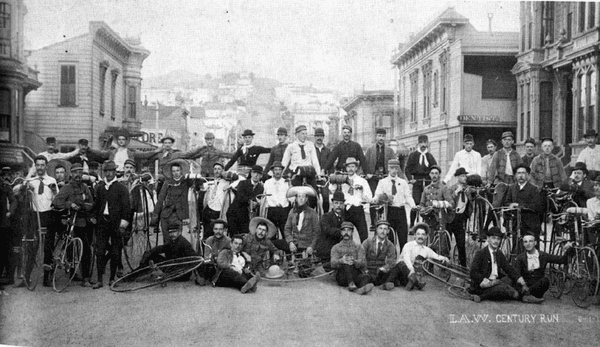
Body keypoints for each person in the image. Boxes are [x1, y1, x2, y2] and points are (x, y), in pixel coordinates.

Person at [469, 227, 543, 303]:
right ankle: (482, 296)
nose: (496, 241)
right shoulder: (481, 253)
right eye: (493, 238)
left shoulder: (499, 253)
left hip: (497, 281)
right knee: (501, 288)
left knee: (512, 279)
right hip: (485, 285)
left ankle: (526, 296)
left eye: (498, 239)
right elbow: (473, 272)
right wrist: (484, 281)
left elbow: (508, 268)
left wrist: (519, 279)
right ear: (488, 238)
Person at [52, 163, 95, 287]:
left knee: (86, 249)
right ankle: (71, 272)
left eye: (80, 172)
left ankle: (86, 278)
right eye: (75, 172)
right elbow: (56, 202)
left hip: (83, 222)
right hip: (70, 223)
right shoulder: (67, 188)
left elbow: (91, 202)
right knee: (70, 248)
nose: (78, 175)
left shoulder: (85, 187)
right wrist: (69, 204)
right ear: (71, 174)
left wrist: (85, 206)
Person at [93, 160, 131, 289]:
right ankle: (99, 280)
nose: (109, 174)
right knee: (100, 251)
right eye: (106, 171)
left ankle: (112, 278)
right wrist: (94, 217)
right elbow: (96, 205)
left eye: (111, 171)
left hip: (116, 223)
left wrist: (123, 224)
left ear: (115, 172)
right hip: (102, 223)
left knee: (115, 251)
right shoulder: (100, 188)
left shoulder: (121, 188)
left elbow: (127, 208)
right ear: (104, 172)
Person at [386, 223, 450, 291]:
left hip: (408, 276)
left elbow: (436, 256)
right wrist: (411, 269)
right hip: (400, 271)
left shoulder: (426, 250)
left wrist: (444, 258)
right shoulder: (408, 245)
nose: (420, 236)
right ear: (415, 236)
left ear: (426, 236)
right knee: (401, 263)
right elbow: (406, 259)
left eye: (423, 234)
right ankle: (417, 284)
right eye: (418, 234)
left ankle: (411, 282)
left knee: (409, 281)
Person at [27, 156, 59, 287]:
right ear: (35, 166)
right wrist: (27, 189)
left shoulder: (52, 180)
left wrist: (54, 190)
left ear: (46, 166)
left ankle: (47, 278)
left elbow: (57, 200)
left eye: (42, 165)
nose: (40, 168)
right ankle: (27, 276)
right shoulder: (30, 181)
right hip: (34, 216)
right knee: (32, 246)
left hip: (48, 215)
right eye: (38, 165)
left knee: (48, 247)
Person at [514, 234, 574, 298]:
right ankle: (525, 294)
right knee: (514, 279)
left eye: (530, 241)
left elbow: (561, 260)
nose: (528, 244)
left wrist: (570, 250)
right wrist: (523, 285)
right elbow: (517, 274)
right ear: (523, 244)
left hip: (537, 286)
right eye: (525, 242)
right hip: (525, 285)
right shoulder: (520, 258)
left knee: (545, 281)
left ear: (535, 243)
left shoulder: (543, 255)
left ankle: (527, 295)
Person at [372, 159, 415, 251]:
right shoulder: (382, 182)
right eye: (392, 168)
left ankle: (403, 260)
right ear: (388, 168)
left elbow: (408, 196)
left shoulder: (403, 182)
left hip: (401, 211)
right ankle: (392, 260)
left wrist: (414, 206)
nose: (394, 171)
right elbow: (377, 195)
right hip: (389, 211)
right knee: (390, 239)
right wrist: (375, 200)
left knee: (403, 238)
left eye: (396, 168)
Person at [151, 160, 197, 241]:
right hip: (166, 215)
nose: (176, 173)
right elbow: (161, 199)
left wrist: (192, 173)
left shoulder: (185, 182)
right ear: (171, 172)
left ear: (181, 171)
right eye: (173, 171)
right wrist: (155, 215)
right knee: (167, 240)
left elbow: (195, 182)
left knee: (176, 240)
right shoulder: (167, 183)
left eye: (177, 170)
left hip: (179, 215)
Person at [281, 125, 321, 209]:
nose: (305, 136)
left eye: (306, 133)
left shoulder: (310, 145)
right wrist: (280, 175)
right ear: (297, 134)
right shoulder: (290, 146)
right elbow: (284, 163)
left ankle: (312, 212)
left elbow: (315, 161)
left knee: (313, 195)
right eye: (302, 133)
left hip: (309, 173)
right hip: (296, 175)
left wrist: (319, 174)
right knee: (294, 196)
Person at [330, 222, 374, 295]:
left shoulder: (358, 247)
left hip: (354, 273)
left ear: (352, 232)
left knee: (366, 276)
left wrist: (354, 261)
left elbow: (363, 262)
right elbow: (332, 263)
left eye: (349, 230)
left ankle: (360, 289)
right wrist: (341, 261)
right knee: (346, 262)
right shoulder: (336, 247)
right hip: (342, 276)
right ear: (341, 232)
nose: (346, 233)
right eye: (344, 230)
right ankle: (352, 283)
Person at [364, 128, 396, 227]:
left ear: (385, 137)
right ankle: (373, 222)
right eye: (379, 136)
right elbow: (365, 163)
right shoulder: (370, 150)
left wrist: (397, 176)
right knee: (374, 198)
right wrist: (367, 173)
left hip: (385, 177)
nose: (381, 138)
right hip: (373, 177)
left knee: (387, 197)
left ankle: (388, 219)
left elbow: (395, 164)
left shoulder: (390, 151)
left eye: (383, 136)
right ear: (376, 137)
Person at [405, 134, 437, 228]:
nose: (423, 144)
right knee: (415, 203)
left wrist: (433, 178)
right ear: (418, 143)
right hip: (417, 181)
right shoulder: (413, 155)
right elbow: (407, 169)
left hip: (427, 181)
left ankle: (428, 224)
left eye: (425, 142)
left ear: (427, 143)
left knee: (428, 203)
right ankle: (411, 225)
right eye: (421, 142)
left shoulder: (430, 156)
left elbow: (435, 168)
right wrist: (411, 179)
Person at [505, 164, 543, 241]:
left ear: (527, 175)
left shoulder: (534, 189)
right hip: (516, 221)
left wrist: (519, 205)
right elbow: (507, 202)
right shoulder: (512, 188)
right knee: (516, 245)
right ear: (515, 175)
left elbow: (537, 206)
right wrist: (511, 205)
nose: (521, 176)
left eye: (523, 173)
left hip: (530, 223)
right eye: (519, 173)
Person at [276, 186, 320, 254]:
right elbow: (287, 229)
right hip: (294, 245)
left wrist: (312, 246)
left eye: (303, 196)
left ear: (306, 199)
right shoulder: (292, 212)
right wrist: (290, 242)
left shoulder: (312, 213)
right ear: (296, 199)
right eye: (299, 196)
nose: (301, 199)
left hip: (307, 246)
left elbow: (316, 232)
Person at [339, 157, 372, 242]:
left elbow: (369, 197)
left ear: (356, 168)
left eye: (353, 166)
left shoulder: (362, 181)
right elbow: (332, 190)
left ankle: (364, 254)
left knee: (364, 235)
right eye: (348, 166)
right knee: (345, 236)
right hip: (346, 210)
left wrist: (362, 192)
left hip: (358, 210)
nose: (350, 169)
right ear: (346, 168)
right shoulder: (341, 180)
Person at [226, 165, 264, 235]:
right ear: (251, 173)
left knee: (244, 237)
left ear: (261, 176)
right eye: (254, 172)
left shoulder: (261, 188)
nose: (256, 175)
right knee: (234, 237)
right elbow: (241, 198)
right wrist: (254, 199)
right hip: (234, 214)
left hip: (246, 217)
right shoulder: (242, 183)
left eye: (258, 173)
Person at [418, 165, 454, 233]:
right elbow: (422, 203)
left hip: (440, 217)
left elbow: (451, 202)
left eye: (436, 173)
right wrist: (422, 208)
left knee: (440, 238)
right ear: (429, 174)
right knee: (429, 237)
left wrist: (443, 204)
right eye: (432, 173)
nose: (434, 175)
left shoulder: (443, 188)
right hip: (428, 217)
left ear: (439, 175)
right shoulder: (426, 189)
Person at [362, 220, 397, 289]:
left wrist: (384, 268)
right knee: (363, 277)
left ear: (388, 231)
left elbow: (392, 260)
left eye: (385, 229)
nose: (382, 231)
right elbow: (361, 256)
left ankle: (383, 284)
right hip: (368, 270)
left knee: (396, 268)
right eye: (380, 228)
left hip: (380, 271)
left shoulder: (390, 244)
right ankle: (365, 286)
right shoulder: (368, 242)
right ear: (376, 230)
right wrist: (365, 269)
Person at [196, 219, 231, 285]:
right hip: (211, 265)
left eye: (220, 229)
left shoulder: (228, 241)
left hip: (222, 266)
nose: (218, 231)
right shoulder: (209, 240)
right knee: (201, 264)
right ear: (213, 230)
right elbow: (206, 256)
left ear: (224, 230)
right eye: (216, 229)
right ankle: (202, 278)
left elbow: (230, 257)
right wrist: (209, 258)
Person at [446, 168, 469, 267]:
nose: (464, 178)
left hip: (461, 219)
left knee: (461, 243)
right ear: (457, 177)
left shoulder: (468, 189)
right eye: (462, 176)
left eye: (465, 176)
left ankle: (463, 266)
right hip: (451, 219)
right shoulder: (452, 188)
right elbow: (448, 200)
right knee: (447, 243)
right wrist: (456, 192)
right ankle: (446, 264)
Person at [314, 191, 345, 265]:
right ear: (332, 204)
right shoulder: (326, 217)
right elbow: (327, 230)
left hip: (338, 249)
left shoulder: (344, 218)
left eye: (341, 203)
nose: (338, 206)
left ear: (343, 205)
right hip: (326, 250)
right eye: (336, 203)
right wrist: (342, 232)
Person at [202, 162, 230, 240]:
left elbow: (240, 179)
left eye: (219, 169)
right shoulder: (211, 182)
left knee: (217, 234)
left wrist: (230, 185)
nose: (217, 171)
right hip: (208, 210)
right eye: (215, 169)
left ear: (223, 170)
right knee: (207, 234)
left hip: (218, 211)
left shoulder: (227, 182)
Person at [263, 161, 291, 239]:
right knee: (271, 235)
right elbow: (265, 197)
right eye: (276, 170)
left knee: (285, 233)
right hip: (272, 211)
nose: (278, 172)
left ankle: (287, 250)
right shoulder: (267, 183)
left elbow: (290, 197)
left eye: (279, 169)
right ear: (272, 171)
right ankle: (273, 251)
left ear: (282, 171)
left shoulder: (286, 182)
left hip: (284, 211)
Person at [0, 170, 16, 285]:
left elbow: (13, 200)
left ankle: (9, 277)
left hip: (3, 223)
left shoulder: (5, 187)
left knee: (6, 250)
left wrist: (10, 212)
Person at [313, 127, 331, 212]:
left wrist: (330, 175)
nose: (319, 138)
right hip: (313, 178)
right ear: (314, 137)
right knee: (312, 197)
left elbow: (330, 164)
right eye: (317, 136)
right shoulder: (311, 150)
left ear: (323, 137)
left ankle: (326, 215)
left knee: (326, 197)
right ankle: (314, 216)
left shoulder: (327, 151)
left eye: (321, 136)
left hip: (324, 178)